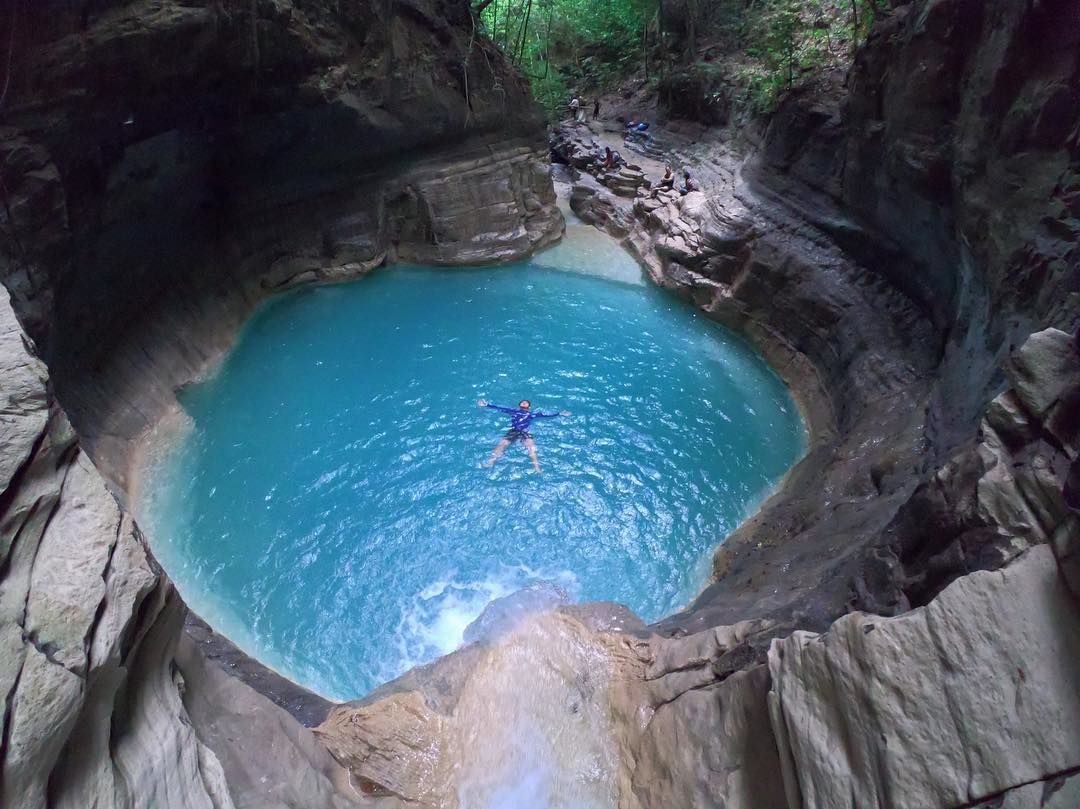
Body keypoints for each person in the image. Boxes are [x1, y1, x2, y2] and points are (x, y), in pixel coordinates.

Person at [478, 399, 570, 473]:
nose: (524, 402)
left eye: (526, 402)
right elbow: (500, 408)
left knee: (531, 447)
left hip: (524, 432)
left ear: (529, 407)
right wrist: (487, 405)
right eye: (522, 402)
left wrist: (559, 414)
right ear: (519, 405)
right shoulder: (514, 411)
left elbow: (545, 415)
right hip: (513, 431)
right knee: (501, 444)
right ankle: (491, 462)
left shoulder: (531, 414)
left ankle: (536, 467)